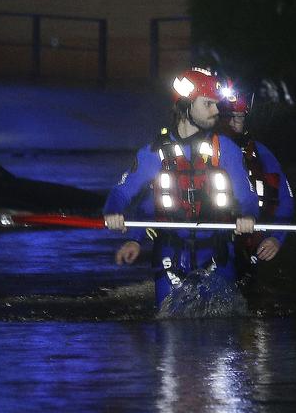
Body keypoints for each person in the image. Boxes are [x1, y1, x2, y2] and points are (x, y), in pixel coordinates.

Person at [104, 68, 259, 307]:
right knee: (169, 329)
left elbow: (247, 197)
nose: (216, 111)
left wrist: (248, 216)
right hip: (170, 255)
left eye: (217, 104)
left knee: (225, 326)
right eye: (208, 104)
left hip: (218, 251)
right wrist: (114, 212)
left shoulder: (225, 149)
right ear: (187, 105)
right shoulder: (154, 152)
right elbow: (122, 192)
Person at [219, 90, 295, 270]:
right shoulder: (201, 153)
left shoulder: (262, 154)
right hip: (210, 243)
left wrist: (276, 238)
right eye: (227, 117)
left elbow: (285, 199)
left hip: (251, 243)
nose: (232, 122)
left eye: (238, 116)